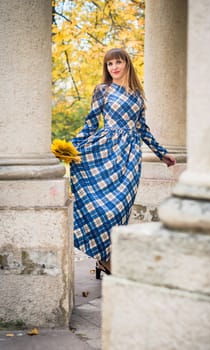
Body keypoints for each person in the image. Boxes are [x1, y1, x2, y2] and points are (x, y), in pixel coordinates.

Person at [70, 48, 176, 276]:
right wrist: (71, 146)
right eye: (110, 64)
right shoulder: (102, 90)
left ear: (127, 64)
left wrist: (161, 153)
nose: (114, 67)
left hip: (129, 157)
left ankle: (107, 257)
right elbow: (90, 124)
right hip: (105, 151)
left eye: (118, 62)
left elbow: (142, 129)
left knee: (120, 208)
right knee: (103, 208)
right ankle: (104, 258)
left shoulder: (138, 94)